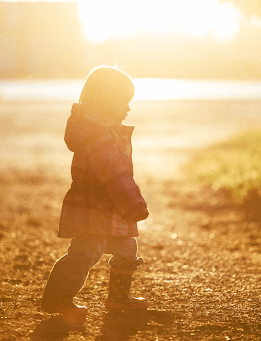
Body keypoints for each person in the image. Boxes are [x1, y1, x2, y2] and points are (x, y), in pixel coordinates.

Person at [40, 65, 150, 323]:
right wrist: (133, 204)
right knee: (86, 252)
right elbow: (116, 177)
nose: (128, 109)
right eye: (124, 102)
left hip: (106, 209)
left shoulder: (105, 133)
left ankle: (118, 297)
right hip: (95, 210)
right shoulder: (99, 139)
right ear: (106, 103)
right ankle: (58, 299)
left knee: (126, 247)